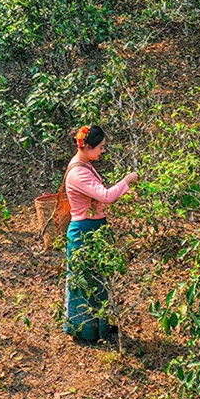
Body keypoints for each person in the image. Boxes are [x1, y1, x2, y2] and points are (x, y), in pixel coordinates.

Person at [63, 125, 139, 341]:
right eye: (100, 147)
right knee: (84, 279)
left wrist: (124, 194)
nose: (102, 151)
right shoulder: (78, 172)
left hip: (94, 227)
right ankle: (84, 331)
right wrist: (125, 181)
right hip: (84, 230)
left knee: (97, 277)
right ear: (86, 147)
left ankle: (99, 327)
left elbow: (98, 198)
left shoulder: (85, 165)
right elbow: (104, 195)